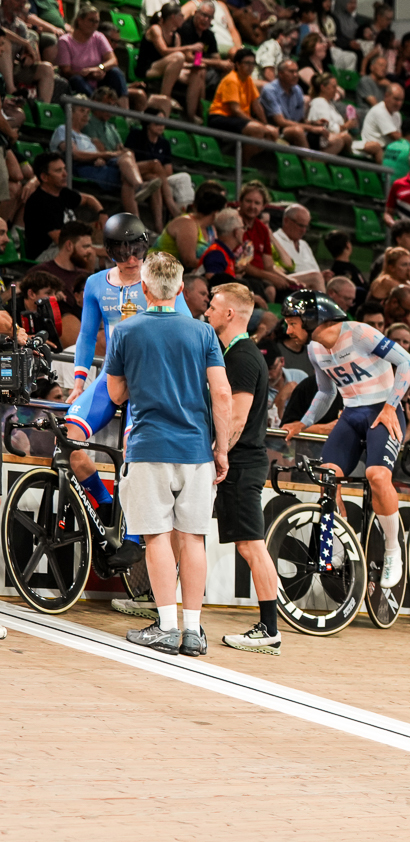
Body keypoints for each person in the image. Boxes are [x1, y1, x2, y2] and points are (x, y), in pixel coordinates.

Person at [104, 252, 233, 656]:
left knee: (157, 537)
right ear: (179, 289)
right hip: (196, 450)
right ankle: (193, 632)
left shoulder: (126, 331)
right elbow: (222, 393)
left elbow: (114, 394)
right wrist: (222, 449)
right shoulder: (203, 333)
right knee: (193, 538)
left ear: (143, 289)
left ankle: (166, 626)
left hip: (148, 447)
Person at [64, 216, 193, 560]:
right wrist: (78, 383)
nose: (132, 259)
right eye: (122, 252)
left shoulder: (160, 282)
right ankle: (104, 503)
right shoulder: (94, 284)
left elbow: (185, 329)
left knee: (138, 454)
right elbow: (87, 335)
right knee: (67, 440)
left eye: (136, 250)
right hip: (112, 375)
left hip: (148, 381)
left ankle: (134, 539)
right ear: (109, 252)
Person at [280, 290, 410, 588]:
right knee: (328, 481)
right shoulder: (315, 349)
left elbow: (408, 363)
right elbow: (326, 392)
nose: (288, 330)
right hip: (351, 415)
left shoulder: (359, 333)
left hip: (382, 411)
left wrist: (391, 406)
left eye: (292, 323)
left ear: (311, 319)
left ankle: (394, 549)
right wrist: (302, 423)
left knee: (377, 475)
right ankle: (345, 546)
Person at [203, 282, 281, 654]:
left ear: (230, 314)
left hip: (243, 462)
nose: (207, 312)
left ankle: (269, 629)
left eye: (213, 307)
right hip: (243, 461)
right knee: (249, 545)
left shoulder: (242, 357)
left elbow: (235, 417)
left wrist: (220, 454)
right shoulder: (238, 354)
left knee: (252, 546)